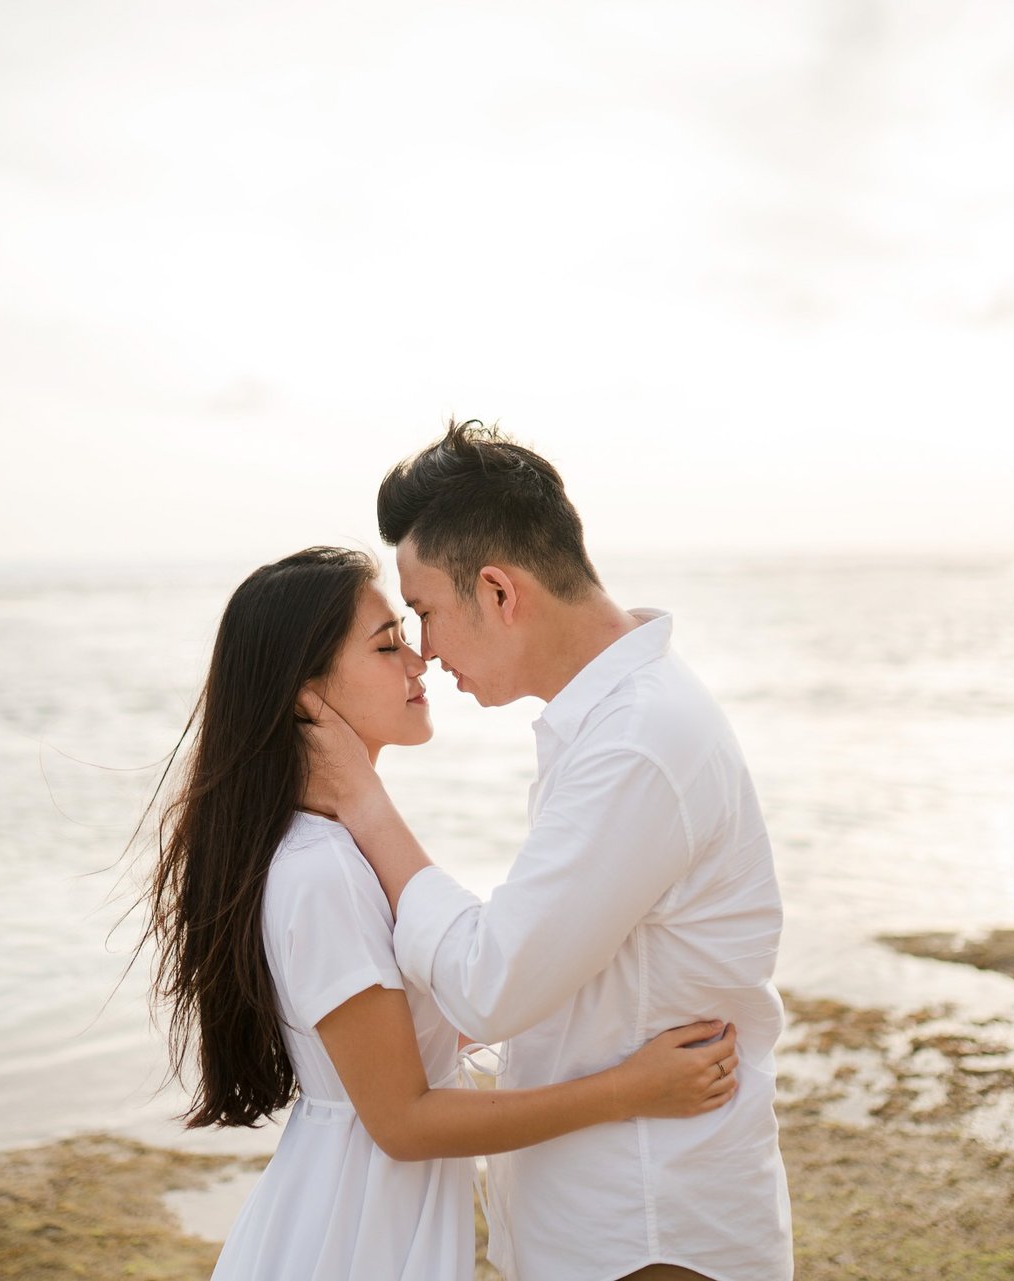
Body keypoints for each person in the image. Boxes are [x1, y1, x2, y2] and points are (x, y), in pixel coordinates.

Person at [138, 545, 743, 1280]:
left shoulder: (341, 849)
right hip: (355, 1230)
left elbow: (432, 1018)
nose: (420, 660)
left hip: (373, 1206)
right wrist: (628, 1090)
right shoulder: (321, 868)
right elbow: (403, 1121)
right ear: (307, 695)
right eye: (389, 643)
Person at [301, 424, 792, 1281]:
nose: (426, 650)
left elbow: (493, 985)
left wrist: (363, 801)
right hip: (614, 1215)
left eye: (424, 611)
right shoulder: (615, 722)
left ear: (498, 591)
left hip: (649, 1225)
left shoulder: (636, 742)